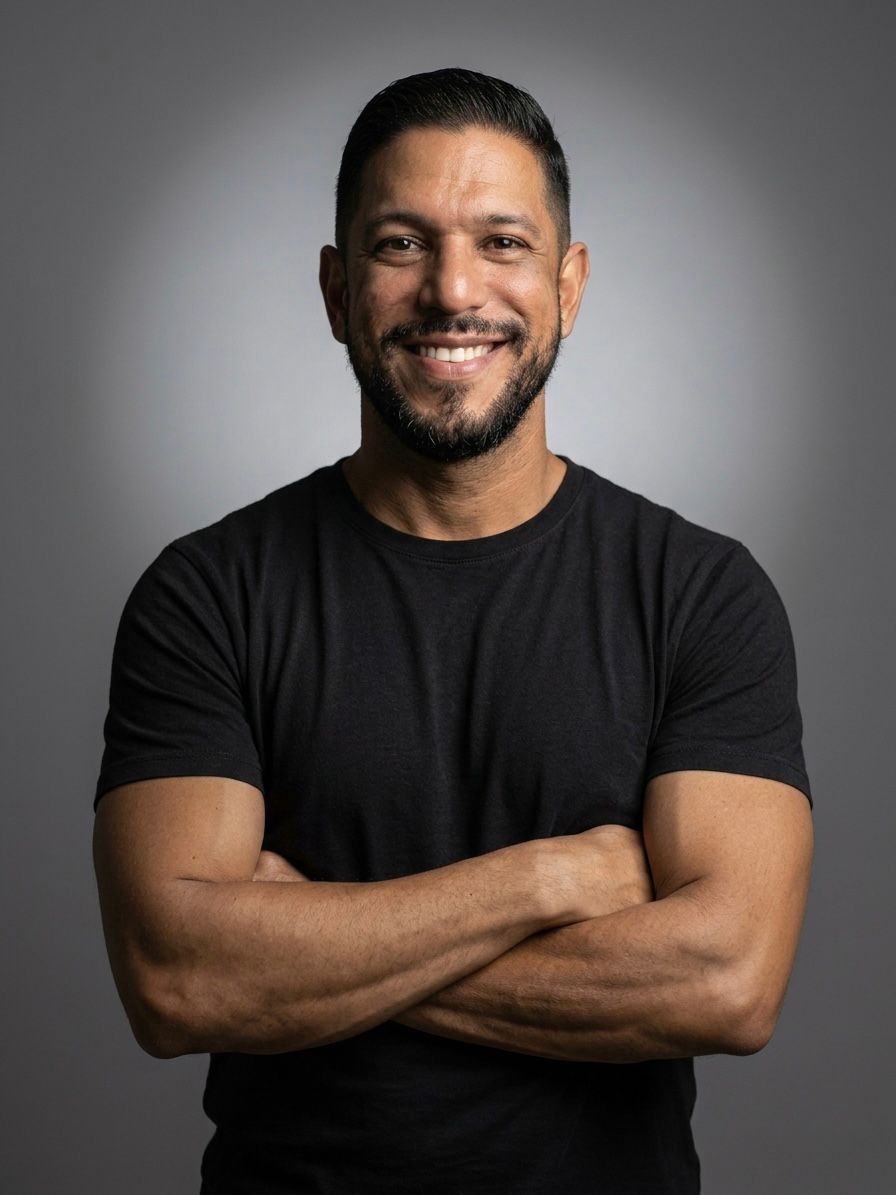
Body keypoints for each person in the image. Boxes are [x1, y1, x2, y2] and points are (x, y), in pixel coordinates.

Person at [92, 68, 814, 1194]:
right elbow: (178, 981)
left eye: (502, 243)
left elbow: (726, 983)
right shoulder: (208, 594)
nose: (452, 290)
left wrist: (307, 947)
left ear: (568, 286)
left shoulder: (699, 593)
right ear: (337, 291)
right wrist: (546, 881)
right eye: (400, 244)